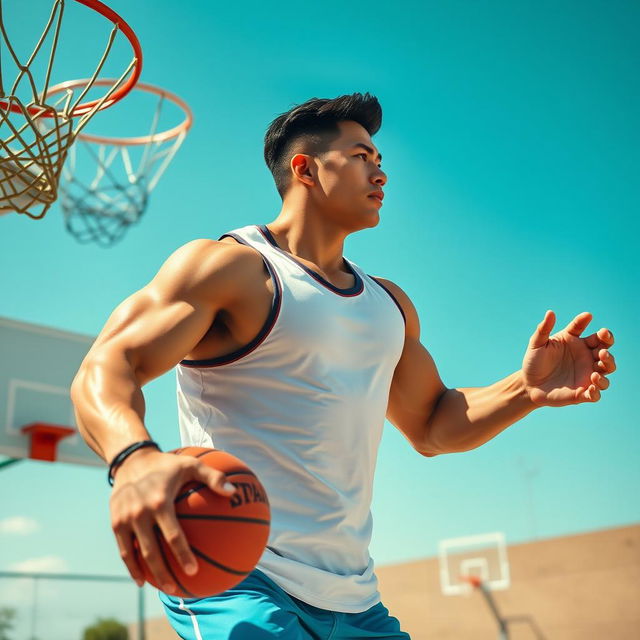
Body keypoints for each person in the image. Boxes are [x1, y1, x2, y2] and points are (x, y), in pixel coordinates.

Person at [71, 93, 616, 639]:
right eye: (361, 157)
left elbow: (432, 424)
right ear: (304, 168)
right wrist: (135, 459)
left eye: (381, 162)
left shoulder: (389, 305)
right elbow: (109, 365)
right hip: (236, 572)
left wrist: (524, 388)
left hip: (355, 599)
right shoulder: (232, 268)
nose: (379, 174)